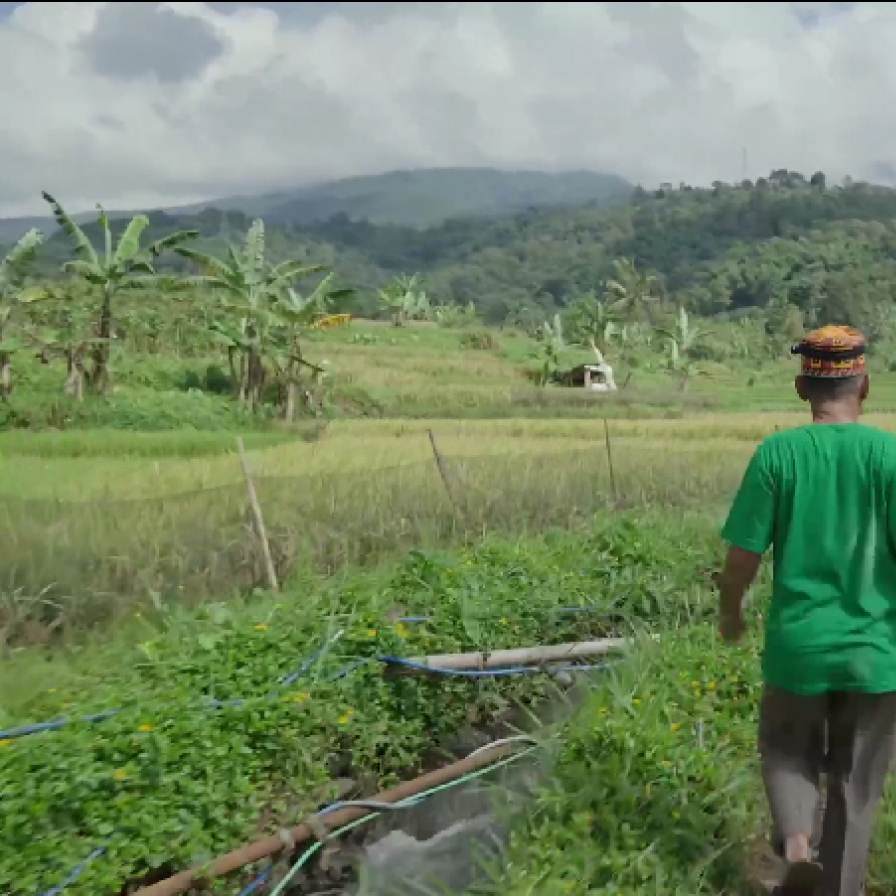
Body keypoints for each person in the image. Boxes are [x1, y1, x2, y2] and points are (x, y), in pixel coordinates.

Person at [716, 325, 896, 896]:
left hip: (798, 647)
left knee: (787, 749)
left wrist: (731, 611)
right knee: (854, 782)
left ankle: (796, 845)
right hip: (875, 653)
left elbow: (741, 557)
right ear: (864, 386)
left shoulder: (778, 454)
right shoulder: (891, 456)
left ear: (802, 389)